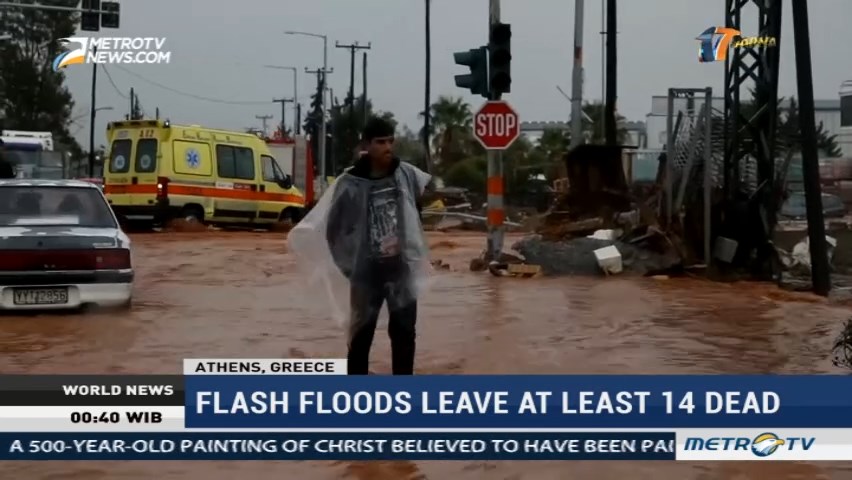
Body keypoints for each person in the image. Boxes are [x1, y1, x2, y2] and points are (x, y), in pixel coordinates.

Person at [325, 117, 431, 375]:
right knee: (360, 337)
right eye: (380, 142)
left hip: (401, 269)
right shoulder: (349, 183)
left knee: (405, 334)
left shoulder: (405, 175)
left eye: (390, 141)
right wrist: (349, 268)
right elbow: (334, 231)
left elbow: (417, 217)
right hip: (366, 273)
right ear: (367, 145)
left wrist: (414, 258)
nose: (387, 147)